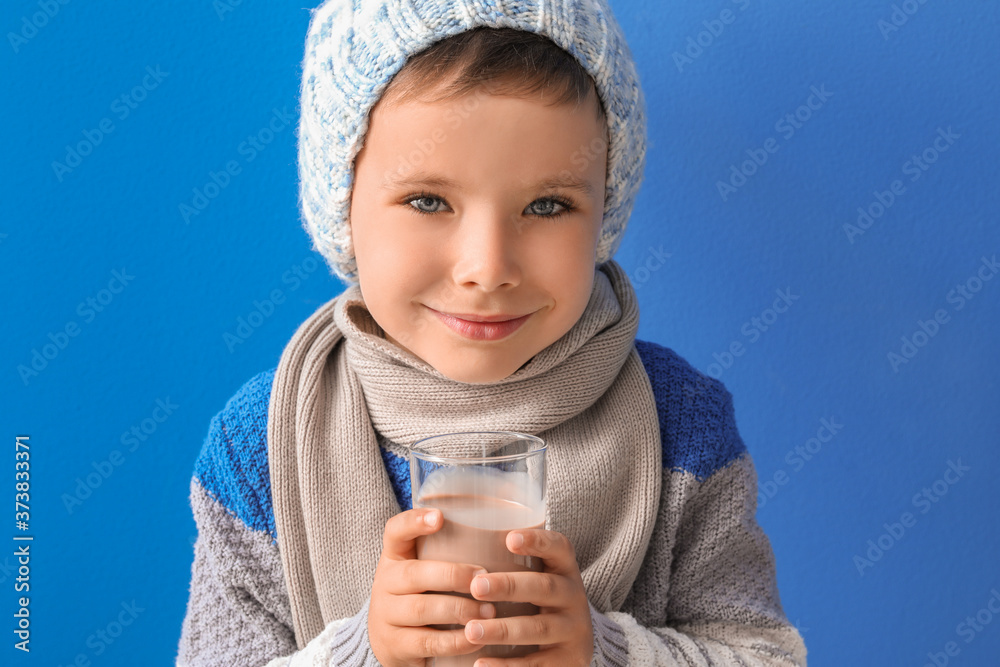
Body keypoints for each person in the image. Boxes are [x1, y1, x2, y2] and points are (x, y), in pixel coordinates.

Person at [176, 0, 808, 665]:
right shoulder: (262, 449)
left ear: (605, 208)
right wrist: (363, 651)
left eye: (547, 205)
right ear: (340, 203)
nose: (487, 268)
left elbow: (763, 654)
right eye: (428, 200)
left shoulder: (681, 426)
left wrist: (606, 650)